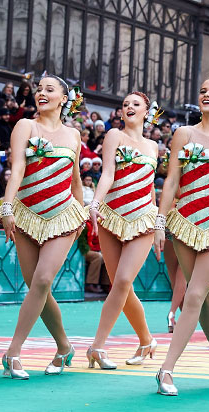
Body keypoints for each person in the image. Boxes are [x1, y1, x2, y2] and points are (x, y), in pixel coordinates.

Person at [153, 78, 209, 395]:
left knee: (192, 296)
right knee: (203, 300)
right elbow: (171, 182)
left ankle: (166, 370)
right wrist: (159, 222)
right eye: (202, 90)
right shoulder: (183, 134)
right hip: (183, 225)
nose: (206, 94)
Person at [0, 75, 87, 379]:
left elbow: (75, 180)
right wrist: (7, 207)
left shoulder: (74, 135)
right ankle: (64, 347)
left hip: (63, 216)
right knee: (38, 286)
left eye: (49, 89)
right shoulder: (26, 126)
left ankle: (13, 352)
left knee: (42, 280)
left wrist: (82, 218)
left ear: (64, 98)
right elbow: (17, 169)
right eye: (39, 89)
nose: (41, 93)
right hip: (25, 214)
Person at [88, 91, 159, 370]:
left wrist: (159, 225)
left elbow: (150, 186)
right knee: (123, 286)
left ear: (146, 111)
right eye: (125, 104)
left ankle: (97, 346)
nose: (129, 107)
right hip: (112, 217)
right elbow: (107, 173)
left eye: (135, 104)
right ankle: (146, 340)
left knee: (122, 281)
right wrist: (95, 203)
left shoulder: (154, 146)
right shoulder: (114, 137)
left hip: (143, 219)